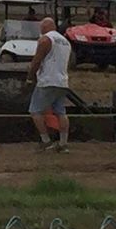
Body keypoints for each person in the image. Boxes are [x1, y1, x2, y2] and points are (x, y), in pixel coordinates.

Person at [27, 17, 72, 153]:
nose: (40, 30)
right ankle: (63, 143)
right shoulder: (66, 42)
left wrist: (30, 77)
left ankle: (46, 141)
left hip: (47, 81)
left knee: (35, 110)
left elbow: (37, 61)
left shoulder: (45, 40)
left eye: (41, 27)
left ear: (45, 27)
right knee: (61, 112)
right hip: (62, 81)